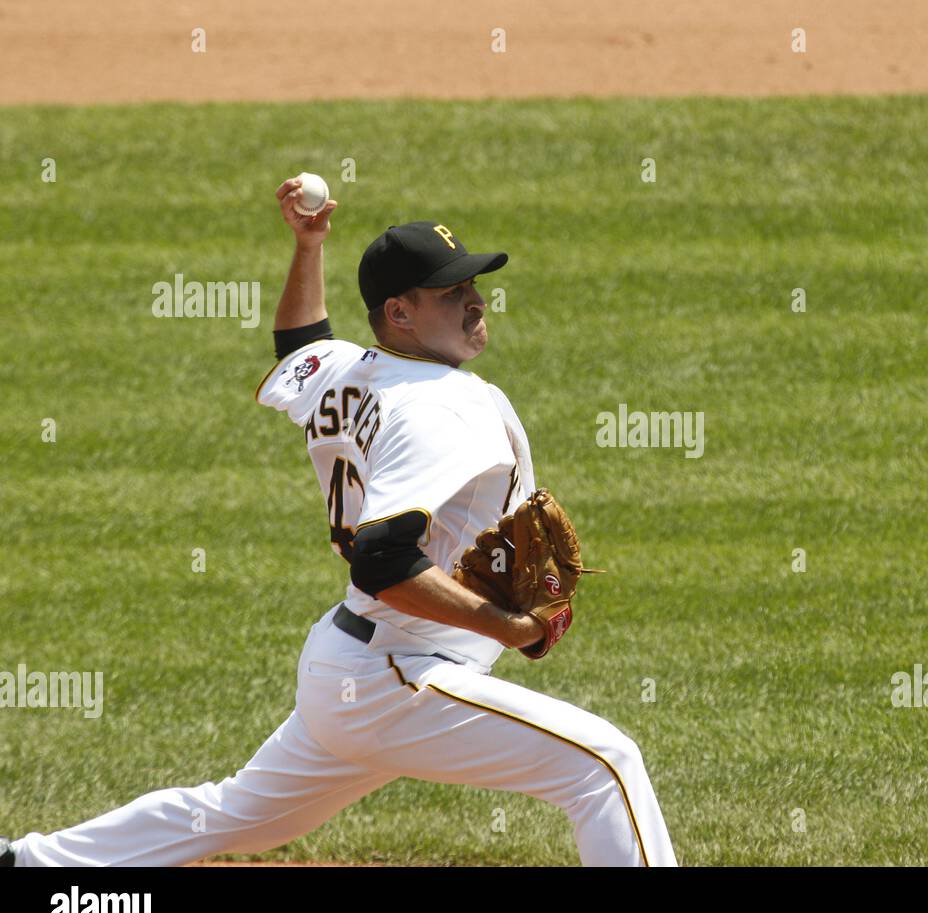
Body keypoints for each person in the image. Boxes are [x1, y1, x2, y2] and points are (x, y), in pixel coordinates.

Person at [0, 177, 677, 868]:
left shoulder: (351, 369)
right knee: (604, 766)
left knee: (234, 815)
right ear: (400, 312)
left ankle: (26, 864)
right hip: (400, 678)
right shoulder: (442, 407)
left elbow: (299, 341)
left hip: (345, 669)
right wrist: (506, 627)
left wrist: (308, 246)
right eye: (451, 293)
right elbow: (383, 560)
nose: (475, 300)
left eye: (474, 284)